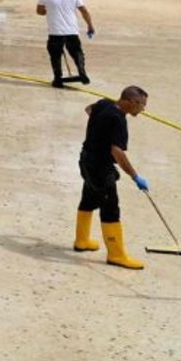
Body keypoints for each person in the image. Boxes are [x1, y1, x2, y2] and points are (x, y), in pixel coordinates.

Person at [75, 85, 150, 270]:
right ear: (130, 102)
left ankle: (82, 241)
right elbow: (117, 152)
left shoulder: (104, 104)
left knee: (89, 198)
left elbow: (89, 109)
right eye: (141, 105)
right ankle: (116, 255)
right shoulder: (118, 120)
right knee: (110, 209)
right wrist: (135, 176)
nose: (142, 110)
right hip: (101, 167)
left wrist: (98, 129)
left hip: (86, 160)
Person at [37, 0, 96, 88]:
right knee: (77, 52)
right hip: (72, 31)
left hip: (55, 32)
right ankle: (82, 72)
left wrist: (47, 11)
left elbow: (39, 12)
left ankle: (58, 79)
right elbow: (84, 11)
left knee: (55, 56)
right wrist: (90, 26)